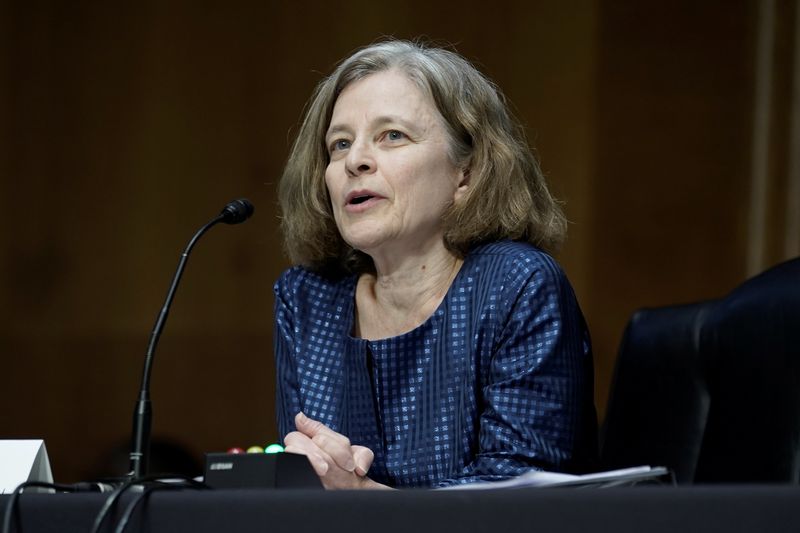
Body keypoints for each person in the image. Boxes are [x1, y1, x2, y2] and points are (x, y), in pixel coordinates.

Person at [273, 39, 597, 489]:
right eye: (340, 144)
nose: (355, 161)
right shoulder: (307, 298)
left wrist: (361, 494)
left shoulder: (516, 285)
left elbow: (518, 501)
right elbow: (300, 480)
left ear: (465, 173)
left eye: (392, 136)